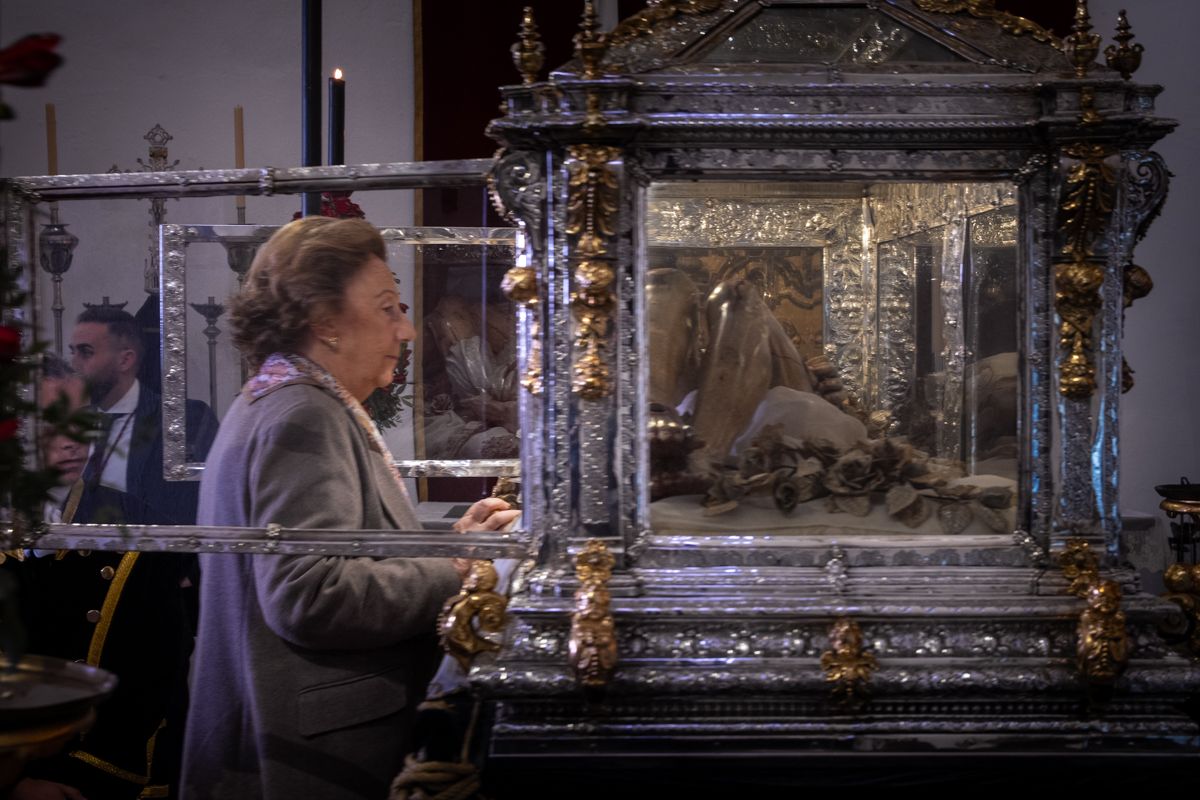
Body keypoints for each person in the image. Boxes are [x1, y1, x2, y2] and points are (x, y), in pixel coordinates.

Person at [181, 217, 518, 800]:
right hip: (310, 758)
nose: (407, 330)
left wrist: (448, 543)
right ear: (326, 322)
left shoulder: (280, 398)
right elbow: (310, 596)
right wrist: (461, 569)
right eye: (388, 308)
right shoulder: (302, 412)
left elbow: (337, 556)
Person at [7, 354, 199, 800]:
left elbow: (158, 673)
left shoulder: (139, 527)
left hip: (100, 771)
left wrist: (74, 778)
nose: (73, 440)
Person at [68, 306, 218, 525]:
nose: (74, 364)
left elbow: (196, 509)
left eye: (86, 352)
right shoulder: (73, 424)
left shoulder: (184, 419)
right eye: (73, 351)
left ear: (125, 360)